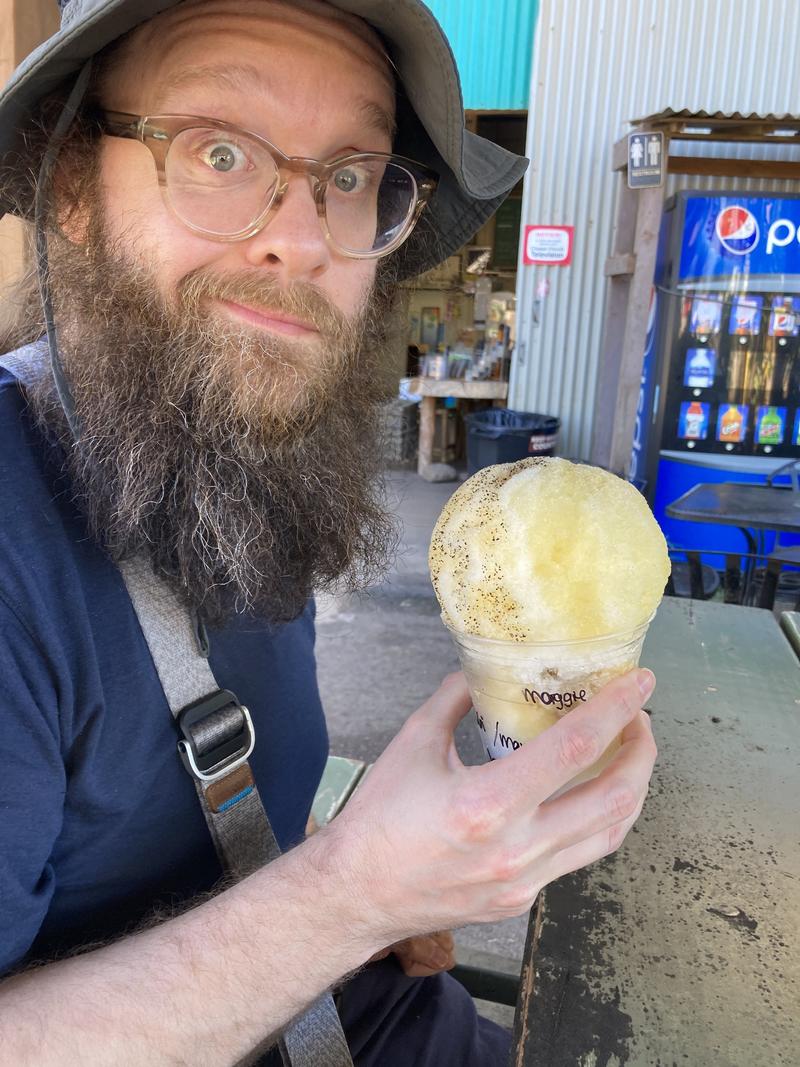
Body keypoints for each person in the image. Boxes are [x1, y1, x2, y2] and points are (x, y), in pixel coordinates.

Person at [0, 1, 658, 1064]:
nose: (301, 241)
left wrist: (350, 865)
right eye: (218, 151)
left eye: (349, 176)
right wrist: (348, 894)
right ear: (69, 184)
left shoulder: (227, 451)